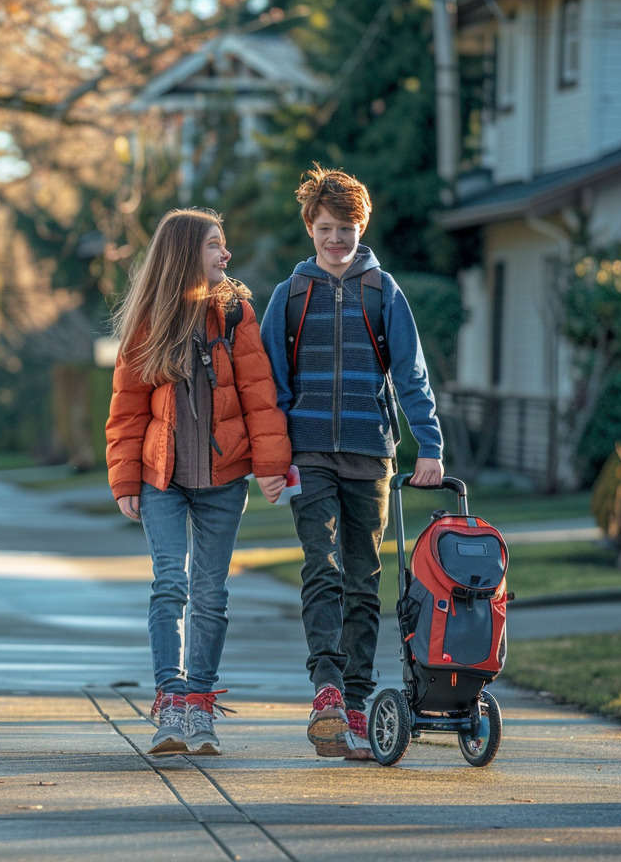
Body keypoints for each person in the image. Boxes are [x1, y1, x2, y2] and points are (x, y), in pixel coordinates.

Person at [259, 166, 444, 761]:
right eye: (327, 228)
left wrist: (430, 448)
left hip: (372, 454)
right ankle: (327, 693)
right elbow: (269, 386)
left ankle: (358, 705)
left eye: (348, 229)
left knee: (364, 581)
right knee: (323, 568)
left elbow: (411, 376)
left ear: (363, 228)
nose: (337, 240)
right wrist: (269, 458)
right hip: (307, 455)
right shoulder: (289, 297)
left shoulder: (382, 291)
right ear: (310, 228)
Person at [106, 207, 291, 756]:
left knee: (211, 593)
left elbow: (261, 397)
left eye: (224, 245)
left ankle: (200, 705)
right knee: (170, 584)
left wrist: (271, 469)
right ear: (187, 253)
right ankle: (170, 700)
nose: (225, 255)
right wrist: (125, 480)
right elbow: (126, 410)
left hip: (224, 478)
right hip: (162, 478)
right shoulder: (148, 321)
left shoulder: (237, 314)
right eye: (214, 245)